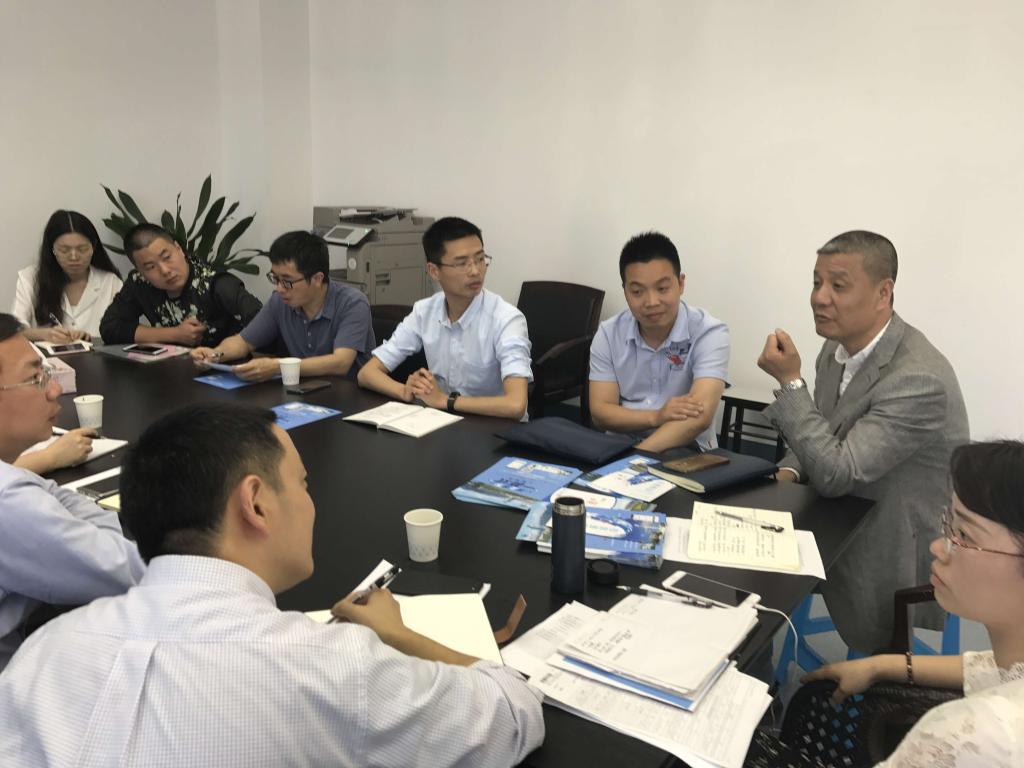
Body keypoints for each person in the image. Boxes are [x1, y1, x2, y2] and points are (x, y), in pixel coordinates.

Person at [0, 402, 545, 766]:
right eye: (303, 483)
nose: (311, 501)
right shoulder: (327, 669)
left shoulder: (42, 654)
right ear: (256, 503)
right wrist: (399, 634)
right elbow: (514, 714)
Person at [750, 440, 1024, 767]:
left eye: (964, 535)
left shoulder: (971, 735)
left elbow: (835, 468)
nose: (938, 547)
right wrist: (880, 665)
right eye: (948, 525)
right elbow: (990, 667)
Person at [757, 230, 969, 653]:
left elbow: (838, 472)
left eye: (838, 285)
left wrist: (790, 382)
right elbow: (822, 429)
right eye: (816, 282)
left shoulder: (918, 378)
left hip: (894, 537)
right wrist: (788, 472)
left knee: (765, 574)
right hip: (842, 506)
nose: (819, 298)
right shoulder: (833, 350)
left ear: (883, 293)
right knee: (748, 558)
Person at [0, 313, 144, 670]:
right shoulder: (9, 503)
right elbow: (123, 572)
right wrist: (103, 534)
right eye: (35, 378)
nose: (54, 389)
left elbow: (50, 493)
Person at [357, 216, 532, 419]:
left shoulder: (506, 319)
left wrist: (445, 400)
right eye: (462, 263)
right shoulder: (424, 311)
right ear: (434, 271)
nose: (475, 271)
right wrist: (405, 391)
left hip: (496, 426)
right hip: (445, 420)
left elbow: (516, 405)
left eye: (480, 259)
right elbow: (367, 374)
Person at [588, 231, 730, 453]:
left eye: (662, 289)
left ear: (680, 283)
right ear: (625, 291)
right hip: (618, 446)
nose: (651, 302)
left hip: (687, 451)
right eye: (637, 291)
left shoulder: (708, 332)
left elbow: (698, 417)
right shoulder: (608, 334)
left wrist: (634, 460)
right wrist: (656, 416)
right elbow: (600, 412)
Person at [190, 231, 374, 380]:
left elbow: (341, 363)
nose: (279, 288)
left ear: (317, 279)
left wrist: (278, 366)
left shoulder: (352, 303)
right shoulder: (280, 301)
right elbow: (243, 342)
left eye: (287, 281)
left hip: (352, 397)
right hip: (305, 391)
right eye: (275, 278)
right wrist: (214, 354)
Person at [99, 223, 262, 347]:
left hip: (226, 370)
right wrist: (174, 334)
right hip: (173, 372)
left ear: (179, 249)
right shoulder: (140, 283)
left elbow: (263, 321)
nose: (165, 270)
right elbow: (110, 328)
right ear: (140, 271)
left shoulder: (215, 283)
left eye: (167, 257)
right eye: (150, 267)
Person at [11, 209, 123, 343]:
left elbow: (124, 331)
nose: (74, 257)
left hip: (99, 355)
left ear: (93, 247)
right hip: (46, 356)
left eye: (82, 249)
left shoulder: (111, 282)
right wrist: (44, 334)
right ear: (52, 249)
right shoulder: (30, 278)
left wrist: (91, 339)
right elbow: (15, 330)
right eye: (64, 250)